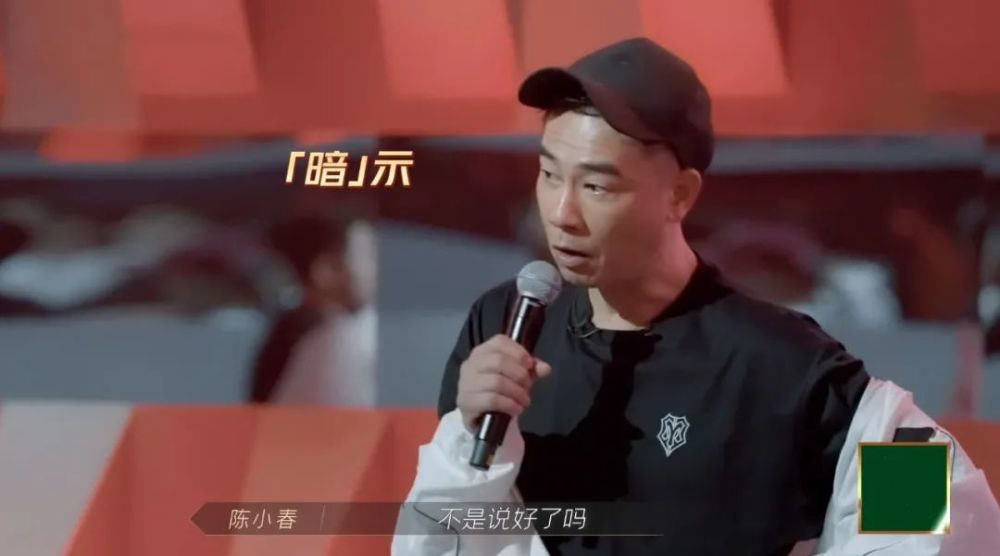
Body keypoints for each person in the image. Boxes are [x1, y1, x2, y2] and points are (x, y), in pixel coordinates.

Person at [393, 38, 1000, 555]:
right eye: (549, 175)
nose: (561, 213)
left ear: (679, 196)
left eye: (597, 187)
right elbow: (446, 539)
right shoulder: (507, 324)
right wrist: (466, 440)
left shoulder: (776, 362)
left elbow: (935, 506)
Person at [248, 214, 376, 406]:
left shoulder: (289, 332)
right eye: (367, 256)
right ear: (325, 271)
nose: (376, 270)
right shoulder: (333, 340)